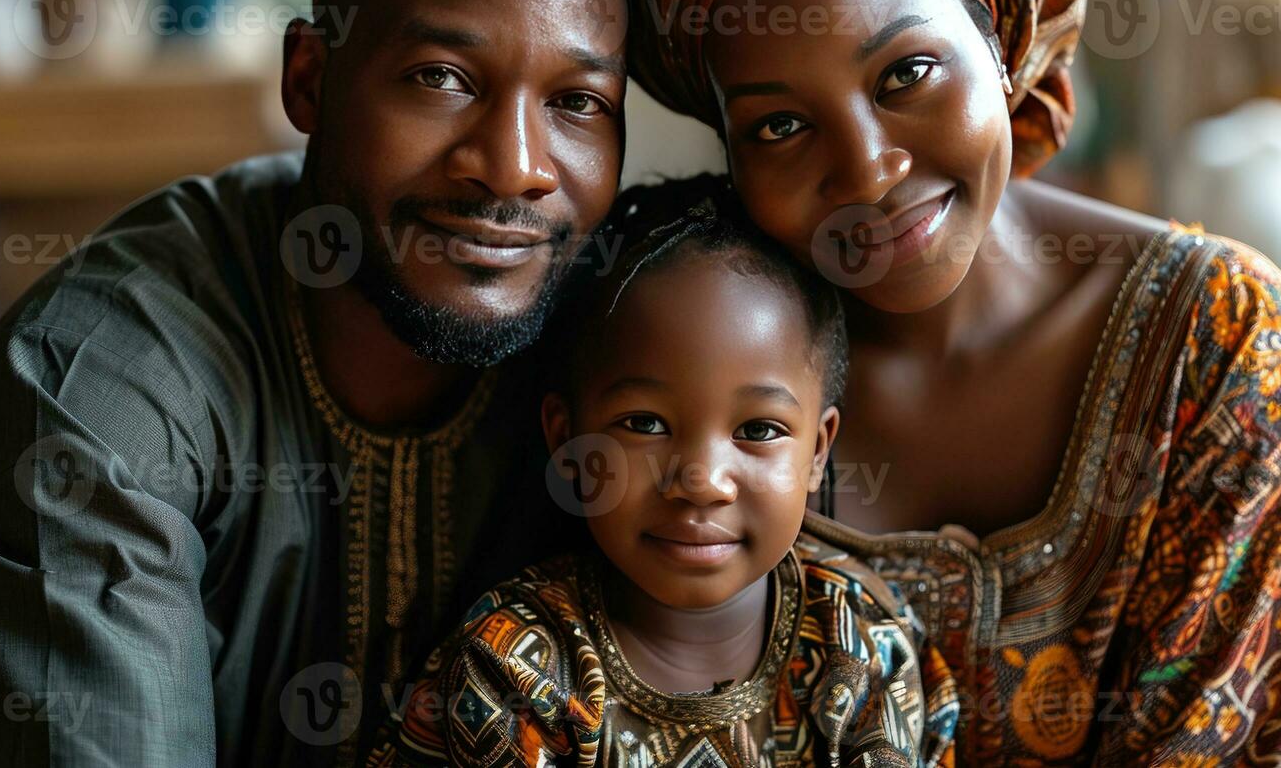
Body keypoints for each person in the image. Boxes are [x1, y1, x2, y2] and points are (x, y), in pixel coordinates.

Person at [624, 0, 1281, 762]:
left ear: (1005, 40)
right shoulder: (677, 378)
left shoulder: (1212, 339)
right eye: (779, 126)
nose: (865, 172)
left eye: (906, 74)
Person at [0, 0, 628, 764]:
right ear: (309, 78)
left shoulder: (629, 348)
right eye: (441, 77)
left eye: (578, 100)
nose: (513, 166)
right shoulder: (89, 399)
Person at [368, 178, 959, 768]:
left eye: (758, 431)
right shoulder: (515, 673)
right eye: (645, 424)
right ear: (567, 440)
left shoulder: (861, 644)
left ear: (818, 451)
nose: (701, 480)